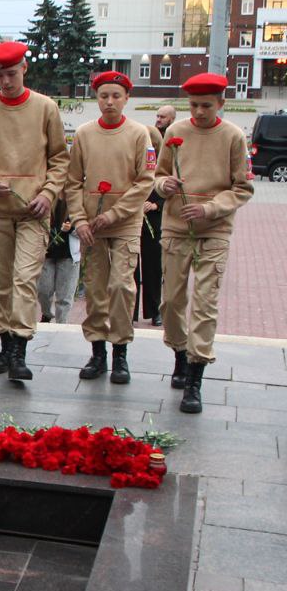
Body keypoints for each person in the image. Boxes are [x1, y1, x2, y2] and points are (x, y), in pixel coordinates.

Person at [0, 41, 70, 381]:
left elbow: (59, 159)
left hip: (34, 210)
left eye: (11, 74)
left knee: (25, 279)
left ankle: (19, 348)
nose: (6, 82)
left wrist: (49, 193)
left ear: (24, 69)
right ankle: (5, 343)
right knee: (1, 282)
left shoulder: (46, 108)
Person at [155, 73, 254, 414]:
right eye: (194, 105)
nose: (199, 112)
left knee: (205, 303)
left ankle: (195, 376)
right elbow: (158, 175)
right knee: (171, 302)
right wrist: (164, 185)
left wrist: (211, 208)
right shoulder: (175, 132)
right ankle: (180, 352)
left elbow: (243, 187)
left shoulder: (233, 136)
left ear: (221, 104)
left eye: (206, 106)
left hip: (215, 229)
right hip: (176, 227)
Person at [66, 71, 155, 385]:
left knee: (121, 286)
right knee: (95, 289)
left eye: (116, 95)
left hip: (125, 223)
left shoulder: (138, 134)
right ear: (96, 98)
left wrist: (115, 213)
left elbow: (145, 181)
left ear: (127, 98)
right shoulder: (85, 133)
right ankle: (97, 352)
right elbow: (73, 181)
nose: (109, 102)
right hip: (92, 225)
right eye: (104, 96)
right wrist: (79, 219)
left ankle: (120, 353)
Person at [137, 105, 173, 327]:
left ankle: (154, 310)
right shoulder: (133, 160)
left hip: (154, 219)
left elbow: (168, 187)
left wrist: (156, 204)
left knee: (153, 267)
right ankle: (129, 312)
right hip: (133, 218)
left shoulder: (163, 163)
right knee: (130, 268)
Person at [36, 199, 79, 324]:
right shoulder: (46, 196)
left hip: (69, 254)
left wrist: (72, 229)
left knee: (65, 296)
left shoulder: (76, 198)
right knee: (43, 290)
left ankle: (62, 323)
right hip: (46, 252)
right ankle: (47, 313)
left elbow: (86, 228)